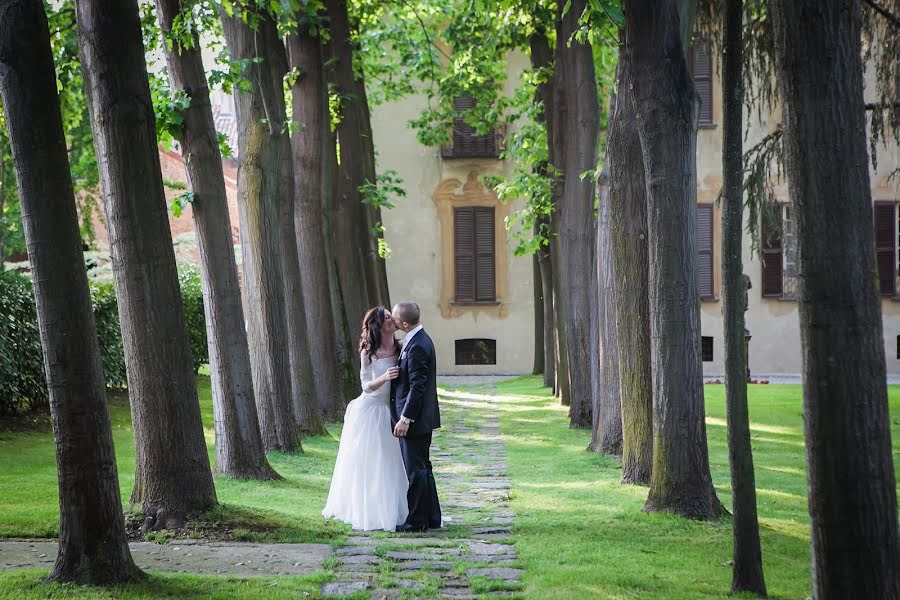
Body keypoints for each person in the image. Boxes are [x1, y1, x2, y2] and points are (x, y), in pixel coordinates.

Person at [322, 307, 409, 531]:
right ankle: (370, 511)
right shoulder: (367, 353)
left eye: (391, 316)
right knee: (372, 462)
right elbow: (365, 386)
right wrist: (384, 377)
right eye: (387, 317)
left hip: (392, 411)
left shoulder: (401, 347)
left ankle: (397, 509)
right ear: (378, 325)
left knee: (392, 462)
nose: (392, 319)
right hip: (371, 410)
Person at [390, 301, 442, 532]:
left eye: (393, 319)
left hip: (416, 421)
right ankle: (432, 517)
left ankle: (417, 521)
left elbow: (417, 387)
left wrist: (405, 419)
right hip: (421, 420)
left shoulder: (419, 345)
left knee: (416, 471)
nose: (391, 321)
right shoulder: (416, 340)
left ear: (403, 323)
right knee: (423, 468)